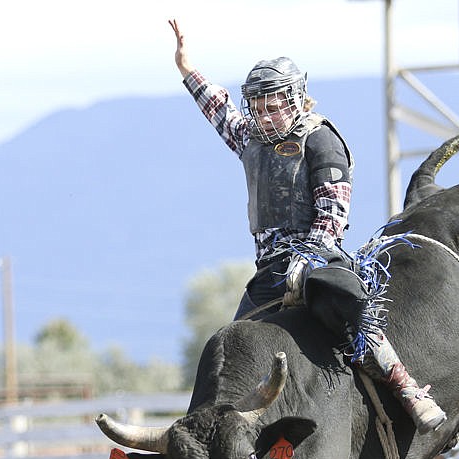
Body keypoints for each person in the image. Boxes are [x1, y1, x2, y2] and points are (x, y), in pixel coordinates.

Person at [168, 19, 445, 433]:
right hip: (269, 272)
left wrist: (307, 258)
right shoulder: (252, 140)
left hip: (320, 258)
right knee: (232, 347)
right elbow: (219, 110)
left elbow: (333, 213)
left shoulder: (321, 140)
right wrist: (188, 69)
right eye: (257, 106)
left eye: (272, 103)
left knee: (350, 307)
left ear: (296, 99)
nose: (264, 113)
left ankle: (405, 388)